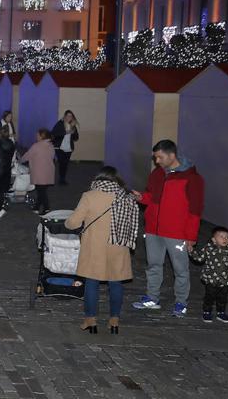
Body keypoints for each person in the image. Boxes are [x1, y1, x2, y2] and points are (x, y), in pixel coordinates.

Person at [131, 139, 205, 318]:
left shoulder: (192, 178)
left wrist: (191, 237)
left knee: (180, 269)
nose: (157, 161)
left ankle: (181, 302)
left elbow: (195, 210)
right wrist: (141, 197)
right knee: (153, 265)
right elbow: (152, 197)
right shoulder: (157, 173)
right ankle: (152, 298)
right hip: (153, 230)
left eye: (159, 157)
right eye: (155, 158)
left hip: (176, 233)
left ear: (172, 155)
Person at [64, 167, 138, 334]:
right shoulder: (125, 197)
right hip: (118, 245)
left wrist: (67, 223)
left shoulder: (90, 196)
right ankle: (114, 321)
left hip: (94, 247)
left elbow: (74, 222)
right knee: (116, 283)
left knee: (91, 282)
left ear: (98, 179)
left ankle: (90, 320)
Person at [190, 226, 228, 323]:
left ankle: (221, 313)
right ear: (214, 240)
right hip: (211, 279)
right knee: (209, 297)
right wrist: (191, 251)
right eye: (221, 236)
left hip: (226, 281)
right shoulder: (209, 248)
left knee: (223, 298)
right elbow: (199, 258)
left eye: (227, 237)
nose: (225, 239)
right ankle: (207, 312)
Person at [21, 129, 56, 215]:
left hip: (39, 172)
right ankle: (36, 207)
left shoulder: (37, 146)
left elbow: (27, 155)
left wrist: (20, 160)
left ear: (41, 136)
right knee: (41, 190)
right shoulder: (51, 145)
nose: (36, 136)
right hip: (48, 171)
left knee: (41, 192)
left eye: (37, 135)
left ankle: (46, 208)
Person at [50, 110, 79, 185]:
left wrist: (73, 131)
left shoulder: (73, 125)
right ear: (65, 116)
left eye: (71, 116)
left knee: (65, 164)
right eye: (68, 115)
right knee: (61, 162)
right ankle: (61, 179)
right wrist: (66, 132)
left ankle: (63, 178)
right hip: (59, 147)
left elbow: (76, 138)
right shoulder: (60, 123)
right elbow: (53, 134)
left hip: (68, 148)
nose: (69, 117)